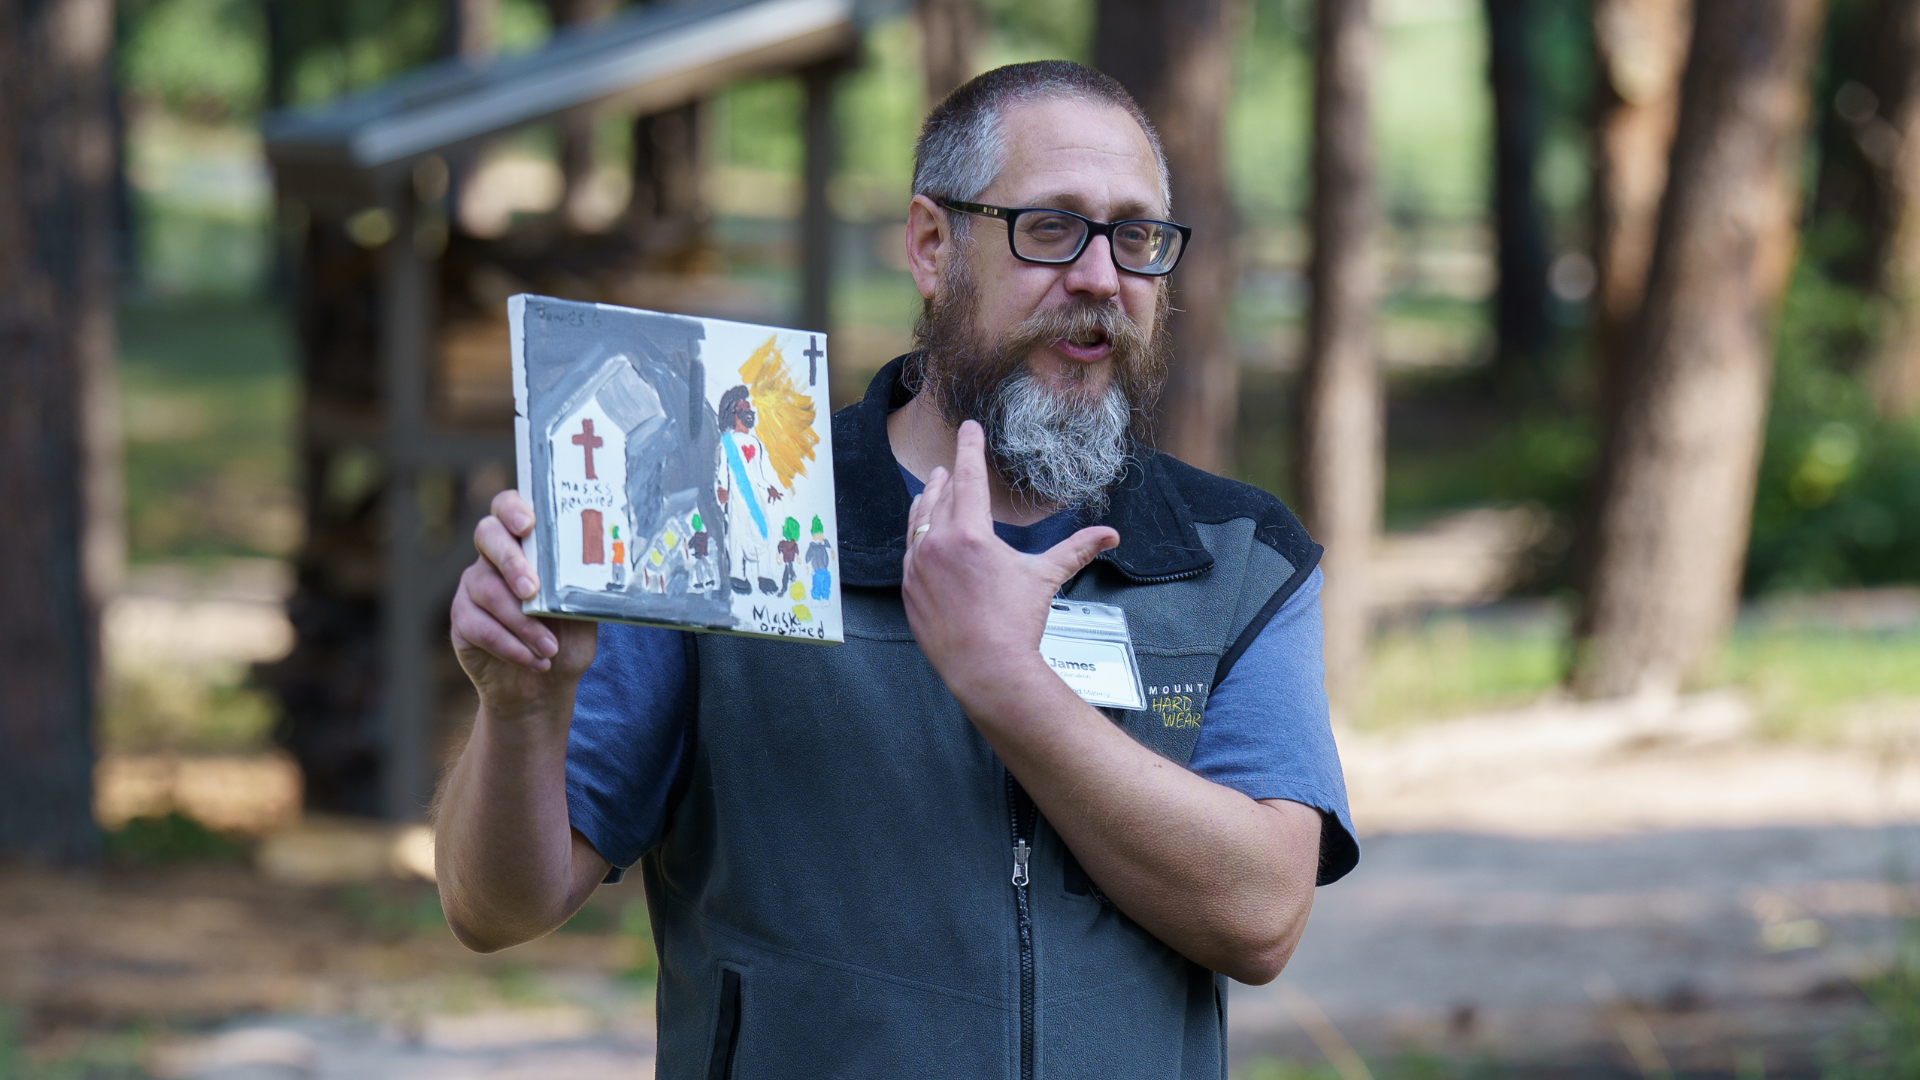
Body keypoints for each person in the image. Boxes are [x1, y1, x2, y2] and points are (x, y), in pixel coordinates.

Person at [436, 61, 1355, 1078]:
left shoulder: (1236, 556)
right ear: (930, 246)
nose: (1102, 276)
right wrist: (521, 712)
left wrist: (1006, 683)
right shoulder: (725, 507)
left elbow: (1261, 918)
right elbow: (494, 908)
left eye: (1135, 237)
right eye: (1051, 227)